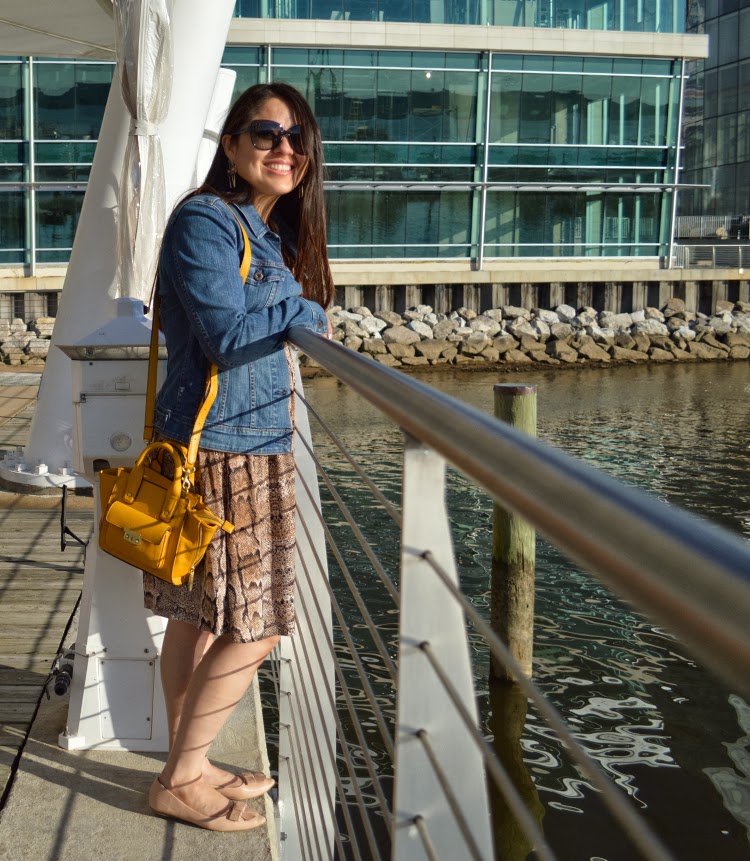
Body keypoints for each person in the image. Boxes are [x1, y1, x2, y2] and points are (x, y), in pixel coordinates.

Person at [143, 82, 334, 832]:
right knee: (258, 626)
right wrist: (305, 308)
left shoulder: (263, 232)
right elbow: (225, 334)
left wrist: (288, 304)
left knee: (198, 616)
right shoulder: (206, 220)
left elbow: (248, 321)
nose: (285, 148)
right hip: (224, 450)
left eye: (297, 138)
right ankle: (179, 778)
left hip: (248, 443)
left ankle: (190, 762)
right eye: (266, 134)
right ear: (230, 145)